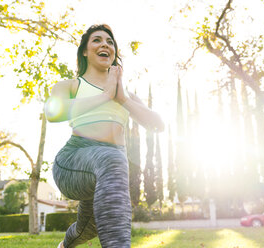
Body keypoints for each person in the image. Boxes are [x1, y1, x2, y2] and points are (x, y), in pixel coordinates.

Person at [44, 24, 164, 248]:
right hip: (73, 160)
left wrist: (122, 99)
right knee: (112, 158)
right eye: (97, 40)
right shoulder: (70, 85)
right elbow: (54, 112)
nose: (105, 45)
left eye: (110, 42)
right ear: (85, 51)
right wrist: (105, 96)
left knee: (87, 228)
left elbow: (158, 125)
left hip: (109, 168)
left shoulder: (125, 94)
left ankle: (64, 246)